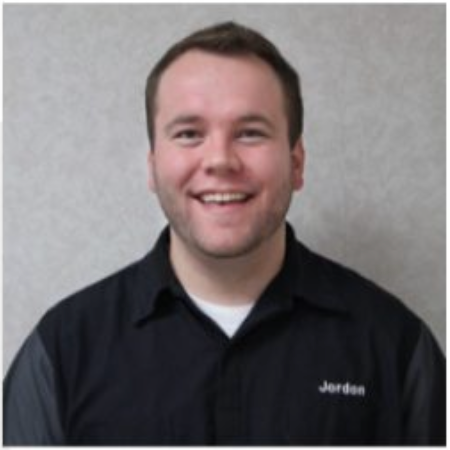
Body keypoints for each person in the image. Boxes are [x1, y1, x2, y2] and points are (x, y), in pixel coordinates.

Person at [3, 21, 445, 446]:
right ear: (153, 166)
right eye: (189, 133)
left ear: (296, 164)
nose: (220, 160)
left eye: (250, 133)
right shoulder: (62, 351)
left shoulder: (395, 346)